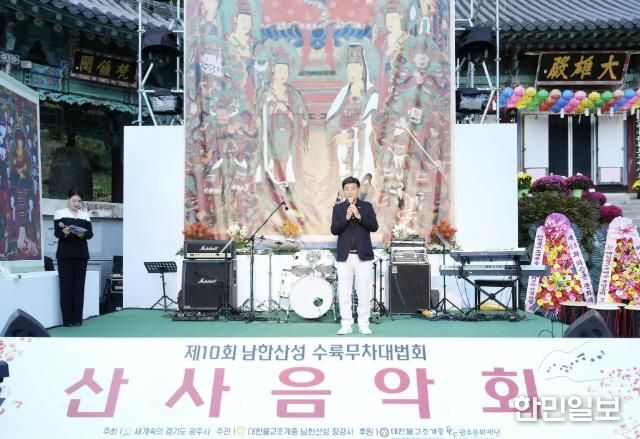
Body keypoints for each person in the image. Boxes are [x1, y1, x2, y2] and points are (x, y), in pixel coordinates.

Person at [331, 176, 379, 335]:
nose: (350, 191)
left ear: (358, 190)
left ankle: (364, 324)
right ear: (343, 191)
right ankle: (346, 325)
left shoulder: (366, 207)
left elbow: (374, 227)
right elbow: (334, 230)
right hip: (344, 257)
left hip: (363, 256)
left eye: (353, 188)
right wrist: (346, 217)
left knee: (363, 293)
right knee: (344, 293)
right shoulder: (338, 208)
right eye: (347, 189)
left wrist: (359, 216)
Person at [53, 188, 93, 327]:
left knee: (79, 287)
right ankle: (67, 320)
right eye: (74, 200)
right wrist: (64, 232)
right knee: (66, 287)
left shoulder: (85, 215)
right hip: (65, 255)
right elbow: (57, 234)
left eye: (79, 201)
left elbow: (90, 234)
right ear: (68, 200)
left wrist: (82, 234)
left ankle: (77, 319)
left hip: (81, 255)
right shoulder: (60, 213)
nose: (76, 203)